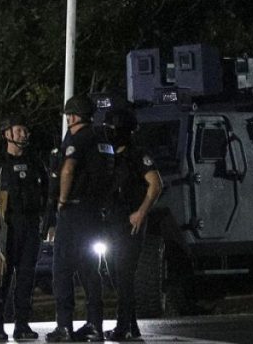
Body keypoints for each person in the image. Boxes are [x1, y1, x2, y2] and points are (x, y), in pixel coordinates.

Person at [0, 115, 48, 342]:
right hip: (5, 227)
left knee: (26, 278)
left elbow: (47, 191)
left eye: (25, 130)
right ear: (7, 134)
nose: (23, 134)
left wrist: (48, 218)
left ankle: (22, 325)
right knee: (1, 279)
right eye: (19, 130)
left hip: (30, 226)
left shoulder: (34, 162)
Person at [46, 95, 105, 343]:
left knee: (62, 269)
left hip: (74, 211)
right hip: (94, 212)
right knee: (90, 269)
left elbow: (68, 169)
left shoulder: (78, 138)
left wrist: (61, 200)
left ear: (75, 116)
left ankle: (65, 325)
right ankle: (94, 324)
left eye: (69, 115)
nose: (68, 119)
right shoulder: (102, 139)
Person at [103, 107, 162, 341]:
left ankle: (123, 327)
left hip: (130, 223)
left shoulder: (138, 155)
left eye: (111, 128)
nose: (108, 132)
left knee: (124, 275)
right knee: (116, 275)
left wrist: (141, 212)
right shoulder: (108, 156)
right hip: (111, 222)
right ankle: (131, 326)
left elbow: (155, 184)